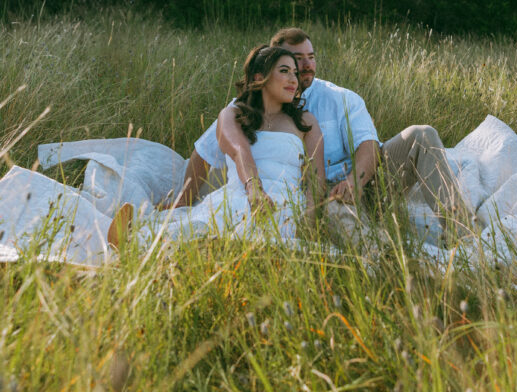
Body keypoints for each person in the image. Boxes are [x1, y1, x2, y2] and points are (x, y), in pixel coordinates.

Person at [179, 27, 470, 240]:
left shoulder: (339, 98)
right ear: (270, 65)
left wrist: (354, 183)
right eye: (294, 60)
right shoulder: (243, 108)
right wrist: (181, 203)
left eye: (310, 57)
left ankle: (465, 235)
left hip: (365, 181)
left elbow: (369, 146)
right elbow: (207, 153)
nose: (303, 67)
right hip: (313, 196)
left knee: (422, 134)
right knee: (343, 228)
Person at [108, 44, 325, 249]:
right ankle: (135, 237)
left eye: (295, 73)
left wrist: (308, 221)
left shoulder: (306, 122)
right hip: (242, 194)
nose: (293, 79)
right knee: (204, 233)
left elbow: (317, 179)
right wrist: (254, 189)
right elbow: (239, 149)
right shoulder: (233, 114)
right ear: (260, 77)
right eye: (285, 71)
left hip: (286, 206)